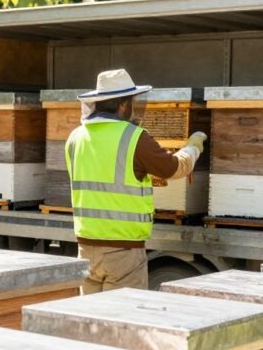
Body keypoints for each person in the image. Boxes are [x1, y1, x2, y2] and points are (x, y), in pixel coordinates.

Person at [65, 69, 206, 293]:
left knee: (90, 321)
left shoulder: (75, 137)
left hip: (85, 249)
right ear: (122, 104)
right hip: (123, 253)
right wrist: (192, 148)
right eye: (132, 101)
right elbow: (174, 168)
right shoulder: (133, 137)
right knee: (122, 321)